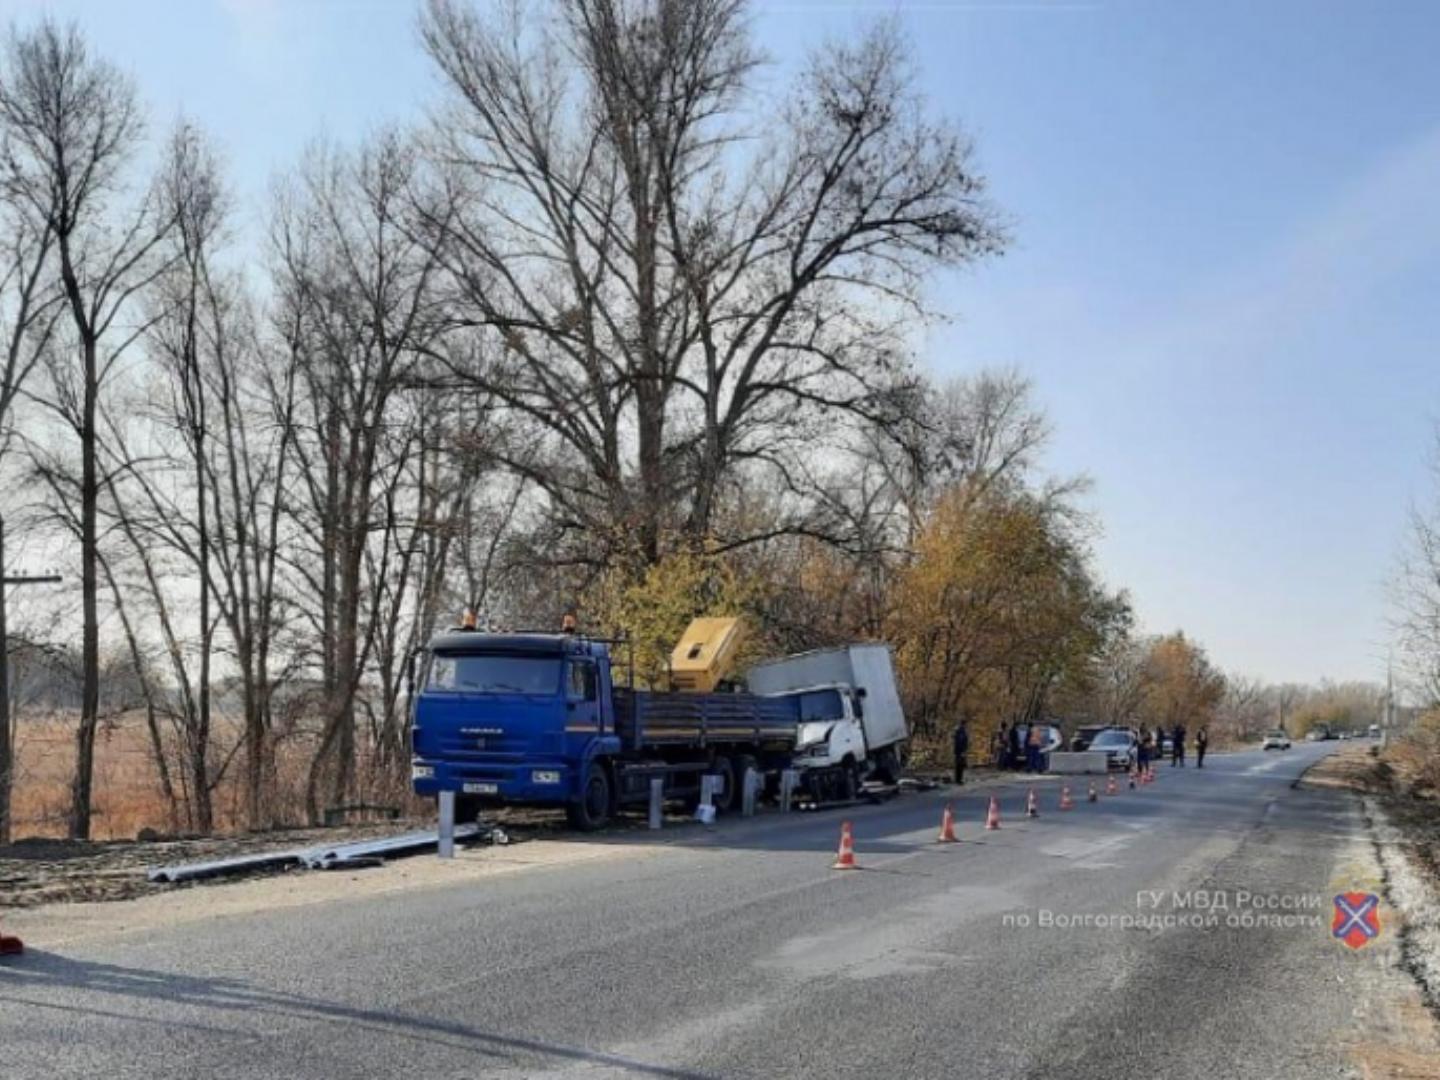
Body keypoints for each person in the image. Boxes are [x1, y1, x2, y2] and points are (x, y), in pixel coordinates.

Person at [953, 719, 970, 785]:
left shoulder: (958, 730)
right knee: (960, 765)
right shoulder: (961, 731)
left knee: (958, 765)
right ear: (964, 724)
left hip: (958, 751)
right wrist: (963, 751)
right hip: (960, 751)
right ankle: (959, 780)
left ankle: (957, 779)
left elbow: (956, 741)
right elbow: (961, 742)